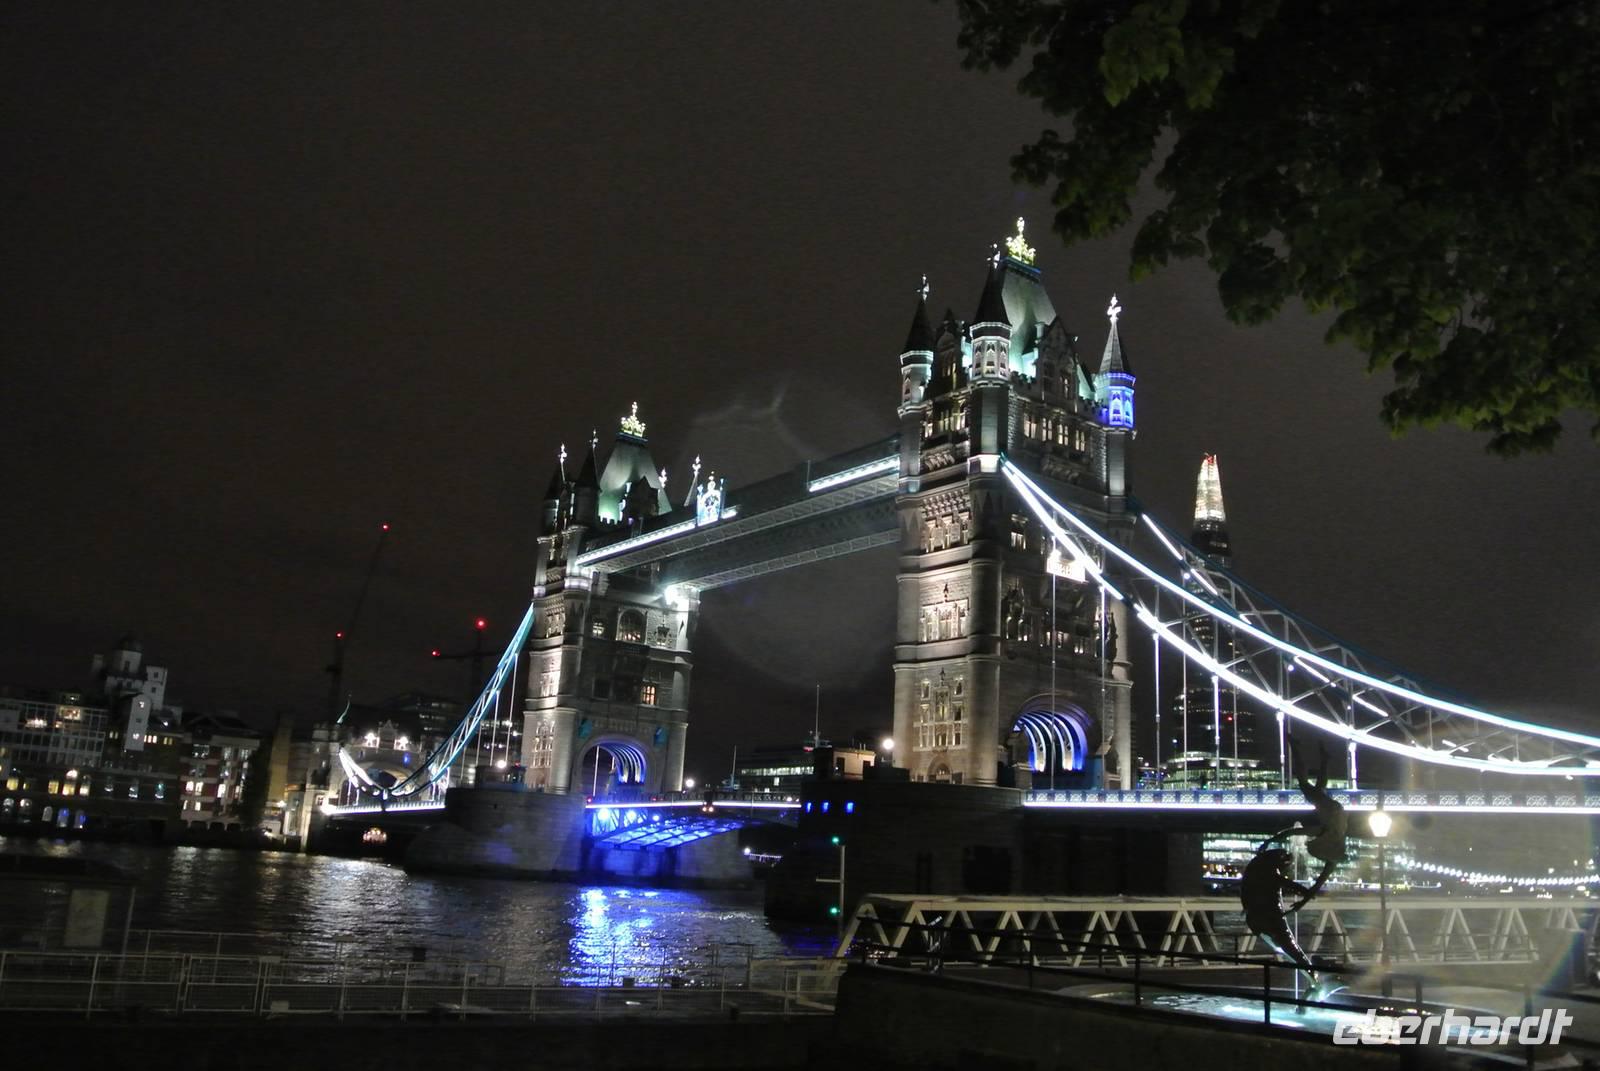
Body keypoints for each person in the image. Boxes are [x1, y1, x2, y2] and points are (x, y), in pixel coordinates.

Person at [1240, 847, 1319, 978]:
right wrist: (1307, 892)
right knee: (1291, 947)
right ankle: (1311, 973)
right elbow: (1290, 884)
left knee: (1285, 947)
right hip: (1273, 919)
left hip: (1254, 920)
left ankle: (1309, 972)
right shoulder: (1272, 875)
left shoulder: (1253, 874)